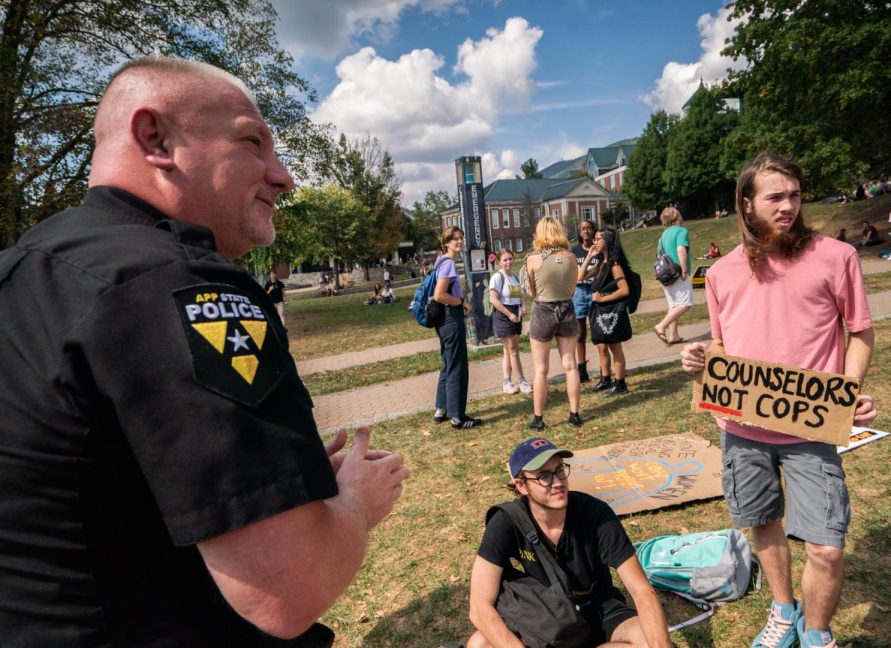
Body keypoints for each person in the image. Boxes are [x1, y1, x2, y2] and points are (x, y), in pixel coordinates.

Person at [0, 57, 411, 646]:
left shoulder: (25, 269)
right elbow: (287, 588)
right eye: (252, 142)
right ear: (155, 137)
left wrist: (267, 479)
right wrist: (355, 503)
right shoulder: (183, 285)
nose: (283, 176)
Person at [681, 153, 876, 648]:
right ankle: (784, 611)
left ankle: (817, 634)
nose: (788, 205)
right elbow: (723, 346)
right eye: (775, 197)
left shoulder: (836, 257)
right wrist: (703, 360)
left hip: (812, 429)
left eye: (794, 195)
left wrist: (847, 391)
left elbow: (860, 334)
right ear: (747, 206)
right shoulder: (721, 273)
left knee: (827, 548)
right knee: (762, 523)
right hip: (741, 432)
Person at [467, 437, 672, 648]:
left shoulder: (596, 514)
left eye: (559, 470)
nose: (557, 483)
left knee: (648, 640)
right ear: (521, 486)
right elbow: (479, 607)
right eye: (544, 476)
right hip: (545, 616)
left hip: (599, 611)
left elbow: (641, 590)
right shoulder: (507, 522)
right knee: (479, 644)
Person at [525, 216, 582, 430]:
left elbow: (532, 290)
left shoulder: (533, 259)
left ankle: (538, 418)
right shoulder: (571, 257)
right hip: (566, 308)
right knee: (570, 365)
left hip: (543, 309)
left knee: (541, 369)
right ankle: (574, 413)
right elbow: (573, 288)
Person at [433, 226, 483, 429]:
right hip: (450, 318)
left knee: (448, 363)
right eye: (454, 239)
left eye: (461, 237)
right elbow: (439, 295)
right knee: (457, 367)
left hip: (442, 320)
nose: (459, 242)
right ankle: (458, 417)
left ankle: (441, 409)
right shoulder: (449, 265)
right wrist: (461, 301)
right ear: (446, 243)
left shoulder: (440, 262)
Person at [579, 227, 632, 396]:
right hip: (599, 313)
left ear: (607, 241)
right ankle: (605, 379)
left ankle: (620, 383)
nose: (594, 242)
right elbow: (580, 277)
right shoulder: (602, 263)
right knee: (601, 346)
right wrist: (589, 257)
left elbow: (624, 290)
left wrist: (602, 299)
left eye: (598, 239)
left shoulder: (614, 264)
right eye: (594, 239)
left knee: (614, 346)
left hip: (610, 312)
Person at [488, 248, 532, 395]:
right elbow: (493, 299)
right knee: (514, 351)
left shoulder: (515, 277)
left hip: (515, 314)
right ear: (499, 262)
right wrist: (508, 314)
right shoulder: (497, 277)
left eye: (510, 259)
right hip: (503, 315)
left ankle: (507, 381)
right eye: (505, 260)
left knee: (508, 351)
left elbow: (519, 296)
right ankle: (522, 381)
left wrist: (523, 306)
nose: (508, 262)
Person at [652, 206, 692, 346]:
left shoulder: (662, 236)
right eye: (680, 214)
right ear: (676, 217)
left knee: (673, 305)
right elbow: (681, 250)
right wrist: (684, 271)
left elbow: (659, 255)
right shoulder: (681, 231)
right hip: (677, 273)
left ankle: (673, 335)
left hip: (666, 275)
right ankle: (661, 326)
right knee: (685, 304)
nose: (682, 216)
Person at [572, 219, 600, 383]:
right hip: (579, 291)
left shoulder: (599, 250)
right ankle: (581, 369)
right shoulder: (574, 251)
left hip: (595, 290)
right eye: (583, 229)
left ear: (594, 231)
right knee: (580, 333)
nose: (586, 231)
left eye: (589, 228)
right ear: (579, 232)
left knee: (598, 330)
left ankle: (604, 367)